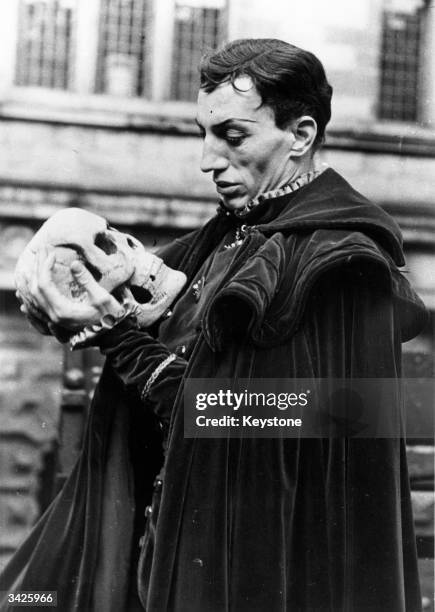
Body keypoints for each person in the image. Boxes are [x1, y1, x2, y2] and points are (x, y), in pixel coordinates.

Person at [0, 39, 427, 611]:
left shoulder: (336, 263)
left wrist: (119, 337)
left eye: (233, 136)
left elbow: (239, 422)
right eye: (204, 133)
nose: (207, 159)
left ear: (299, 135)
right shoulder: (230, 232)